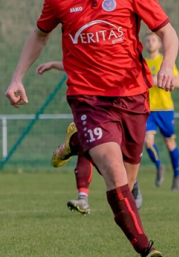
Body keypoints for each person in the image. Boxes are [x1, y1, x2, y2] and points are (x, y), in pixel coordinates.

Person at [5, 0, 178, 257]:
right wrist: (17, 77)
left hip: (133, 97)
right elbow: (40, 35)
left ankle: (75, 142)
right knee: (113, 172)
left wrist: (169, 65)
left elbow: (167, 32)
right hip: (88, 99)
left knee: (127, 184)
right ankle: (146, 250)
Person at [36, 62, 144, 214]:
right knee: (88, 146)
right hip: (96, 110)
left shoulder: (123, 57)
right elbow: (78, 64)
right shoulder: (94, 54)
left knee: (114, 161)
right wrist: (54, 64)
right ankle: (83, 197)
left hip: (124, 108)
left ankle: (71, 145)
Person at [143, 32, 179, 191]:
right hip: (148, 109)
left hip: (165, 109)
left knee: (169, 143)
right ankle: (159, 166)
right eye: (148, 40)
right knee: (148, 142)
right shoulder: (143, 62)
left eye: (154, 40)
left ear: (159, 44)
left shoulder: (165, 61)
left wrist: (159, 80)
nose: (151, 43)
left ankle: (177, 174)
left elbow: (178, 82)